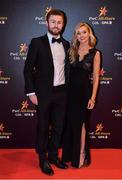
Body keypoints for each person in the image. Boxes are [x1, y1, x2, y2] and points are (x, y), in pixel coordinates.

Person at [24, 9, 70, 176]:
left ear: (63, 24)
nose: (56, 25)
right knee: (43, 127)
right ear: (47, 23)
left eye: (59, 22)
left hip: (62, 92)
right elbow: (27, 70)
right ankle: (42, 158)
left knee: (58, 127)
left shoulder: (66, 44)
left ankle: (53, 156)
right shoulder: (37, 42)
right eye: (53, 21)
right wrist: (31, 93)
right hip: (43, 93)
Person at [62, 22, 101, 168]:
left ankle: (81, 154)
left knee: (82, 124)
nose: (81, 35)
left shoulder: (95, 53)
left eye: (84, 32)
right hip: (69, 94)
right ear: (75, 36)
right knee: (71, 124)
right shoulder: (71, 50)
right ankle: (68, 155)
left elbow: (96, 77)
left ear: (89, 33)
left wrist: (93, 97)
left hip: (84, 94)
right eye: (78, 33)